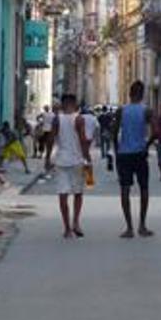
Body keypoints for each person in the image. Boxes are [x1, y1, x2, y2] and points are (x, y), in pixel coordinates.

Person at [45, 93, 91, 238]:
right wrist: (88, 159)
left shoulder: (57, 119)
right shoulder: (79, 119)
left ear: (63, 103)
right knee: (78, 193)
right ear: (74, 103)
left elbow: (51, 139)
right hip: (77, 160)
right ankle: (76, 222)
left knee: (63, 195)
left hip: (61, 161)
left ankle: (67, 228)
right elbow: (83, 140)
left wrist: (47, 158)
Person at [116, 81, 155, 238]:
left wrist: (116, 149)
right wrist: (147, 144)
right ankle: (142, 226)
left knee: (125, 189)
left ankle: (129, 228)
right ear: (142, 94)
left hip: (124, 154)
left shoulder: (121, 110)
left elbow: (114, 132)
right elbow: (156, 131)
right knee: (143, 188)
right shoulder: (146, 111)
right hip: (140, 153)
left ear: (129, 94)